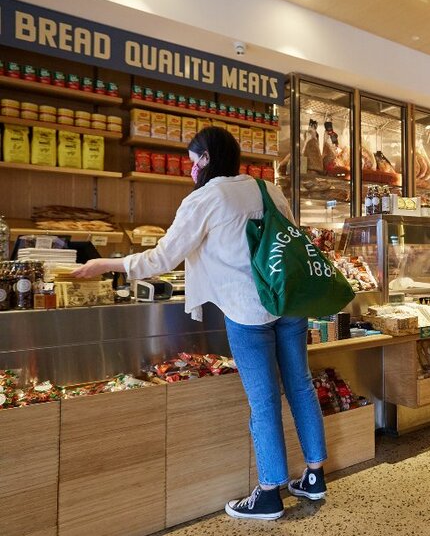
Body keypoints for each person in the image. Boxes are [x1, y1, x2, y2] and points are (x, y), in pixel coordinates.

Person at [72, 127, 327, 521]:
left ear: (206, 159)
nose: (191, 171)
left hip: (248, 311)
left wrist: (106, 264)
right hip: (289, 302)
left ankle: (270, 493)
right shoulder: (268, 189)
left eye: (193, 162)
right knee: (300, 386)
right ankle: (313, 476)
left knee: (263, 401)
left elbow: (161, 259)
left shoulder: (205, 198)